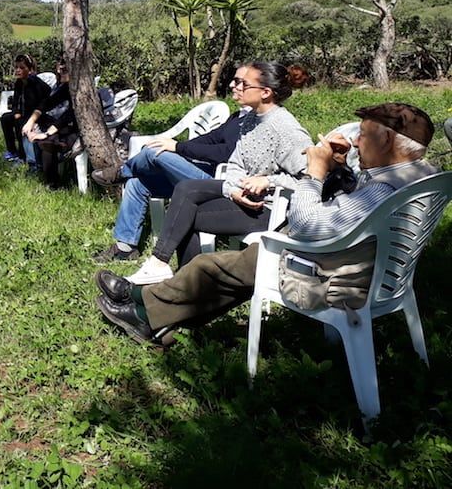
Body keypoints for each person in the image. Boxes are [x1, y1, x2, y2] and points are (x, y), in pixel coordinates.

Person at [95, 103, 437, 346]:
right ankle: (151, 311)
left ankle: (142, 305)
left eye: (363, 135)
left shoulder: (383, 188)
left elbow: (306, 226)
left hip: (335, 280)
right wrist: (337, 167)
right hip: (368, 269)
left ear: (389, 140)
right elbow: (353, 212)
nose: (357, 142)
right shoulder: (421, 175)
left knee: (211, 266)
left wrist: (316, 171)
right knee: (233, 267)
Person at [124, 61, 312, 285]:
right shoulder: (250, 120)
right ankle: (178, 279)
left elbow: (312, 179)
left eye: (244, 83)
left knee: (185, 208)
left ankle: (178, 280)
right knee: (185, 195)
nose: (236, 86)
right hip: (245, 199)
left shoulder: (286, 129)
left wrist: (268, 180)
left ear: (265, 92)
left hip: (273, 211)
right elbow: (235, 164)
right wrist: (233, 190)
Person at [91, 66, 252, 262]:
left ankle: (121, 172)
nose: (232, 85)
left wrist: (177, 148)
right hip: (204, 174)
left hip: (219, 184)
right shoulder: (238, 117)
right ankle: (125, 248)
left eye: (238, 82)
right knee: (138, 183)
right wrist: (181, 147)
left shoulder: (256, 123)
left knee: (153, 153)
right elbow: (210, 139)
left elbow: (225, 153)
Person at [22, 59, 76, 188]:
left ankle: (52, 184)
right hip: (63, 126)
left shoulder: (78, 90)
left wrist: (46, 133)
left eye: (64, 69)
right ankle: (45, 176)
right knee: (39, 135)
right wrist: (31, 121)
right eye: (59, 67)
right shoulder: (65, 87)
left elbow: (69, 116)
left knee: (49, 142)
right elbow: (47, 103)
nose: (59, 71)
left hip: (76, 130)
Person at [0, 53, 51, 163]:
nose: (18, 70)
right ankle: (12, 151)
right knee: (5, 118)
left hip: (35, 116)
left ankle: (23, 155)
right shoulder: (19, 83)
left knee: (20, 122)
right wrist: (15, 112)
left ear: (30, 70)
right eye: (16, 67)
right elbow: (15, 102)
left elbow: (47, 96)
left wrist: (34, 116)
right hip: (22, 113)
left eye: (22, 68)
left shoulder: (36, 83)